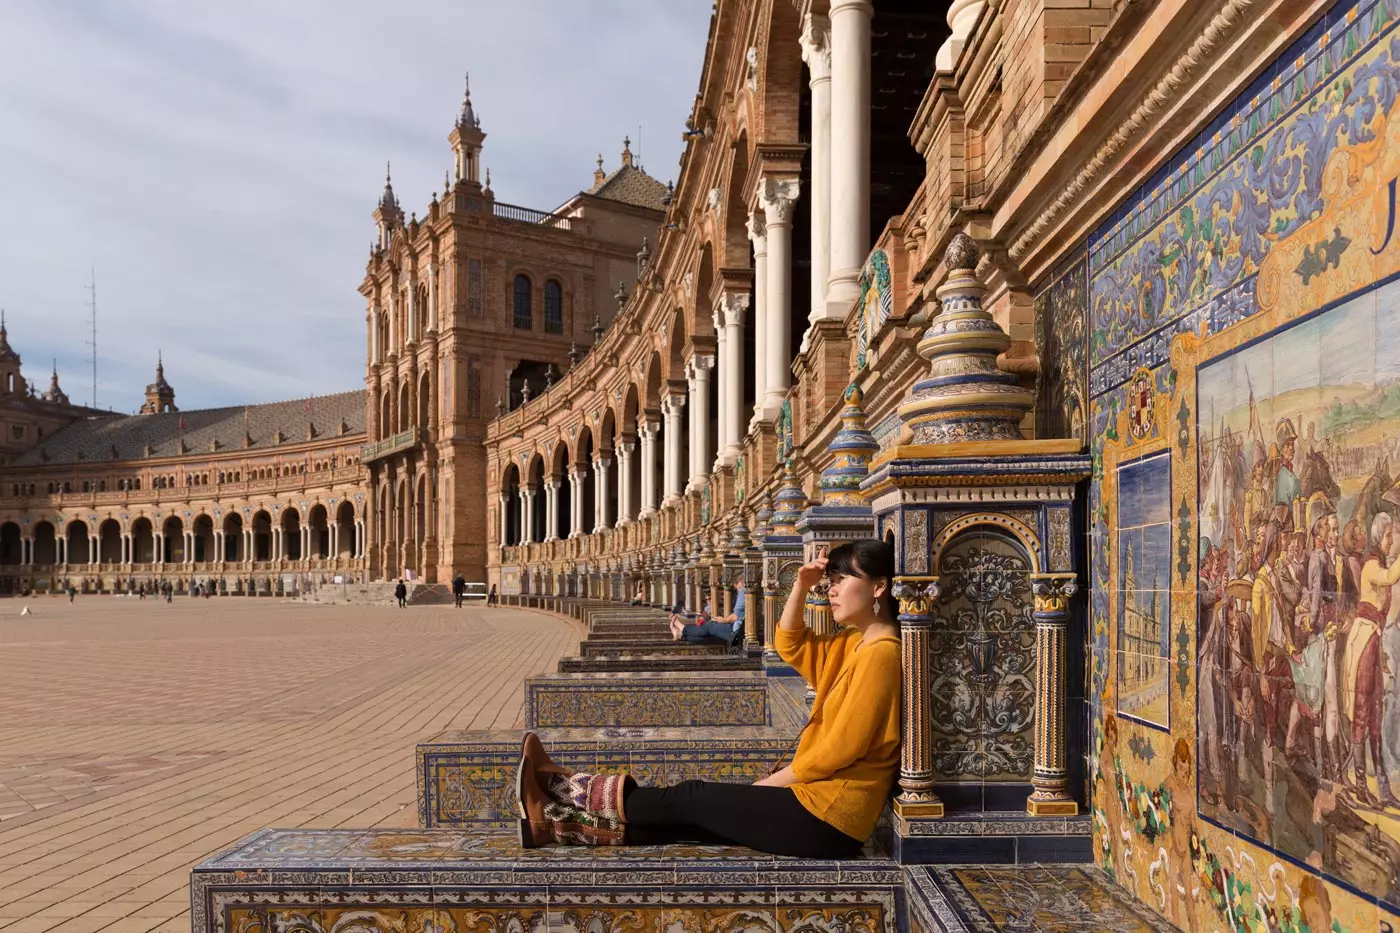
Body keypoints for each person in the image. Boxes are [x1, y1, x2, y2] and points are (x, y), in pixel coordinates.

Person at [514, 539, 901, 857]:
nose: (831, 589)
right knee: (691, 821)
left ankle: (565, 785)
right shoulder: (853, 642)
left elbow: (841, 749)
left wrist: (769, 786)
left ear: (879, 587)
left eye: (842, 579)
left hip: (830, 816)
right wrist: (800, 584)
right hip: (818, 806)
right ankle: (552, 824)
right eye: (830, 580)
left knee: (690, 797)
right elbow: (789, 643)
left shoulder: (882, 654)